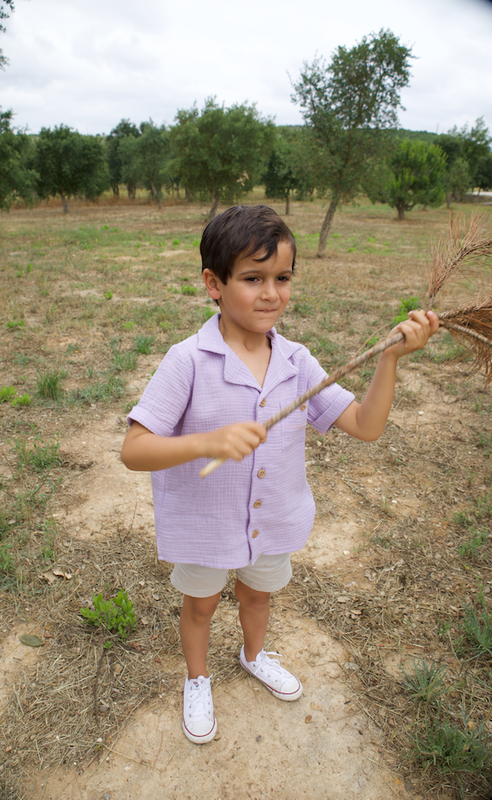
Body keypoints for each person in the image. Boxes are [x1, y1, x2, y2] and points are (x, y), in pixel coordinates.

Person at [121, 204, 439, 745]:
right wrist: (207, 441)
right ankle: (197, 678)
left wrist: (389, 360)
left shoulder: (296, 362)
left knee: (258, 595)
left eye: (283, 278)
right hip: (207, 524)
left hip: (270, 525)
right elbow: (134, 450)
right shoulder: (188, 361)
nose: (271, 293)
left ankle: (252, 654)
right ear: (213, 284)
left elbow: (365, 425)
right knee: (200, 604)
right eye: (252, 278)